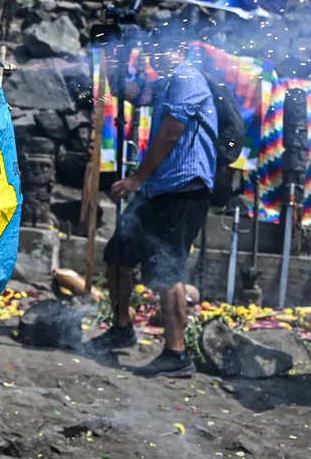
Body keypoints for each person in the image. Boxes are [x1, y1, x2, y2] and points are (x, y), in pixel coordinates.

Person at [87, 35, 215, 378]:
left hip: (183, 191)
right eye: (153, 51)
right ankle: (122, 327)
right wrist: (115, 61)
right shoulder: (166, 85)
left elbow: (170, 133)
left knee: (166, 271)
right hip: (158, 190)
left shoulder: (188, 79)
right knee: (118, 255)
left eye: (165, 49)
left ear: (182, 48)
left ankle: (176, 353)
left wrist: (137, 179)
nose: (157, 56)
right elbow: (134, 93)